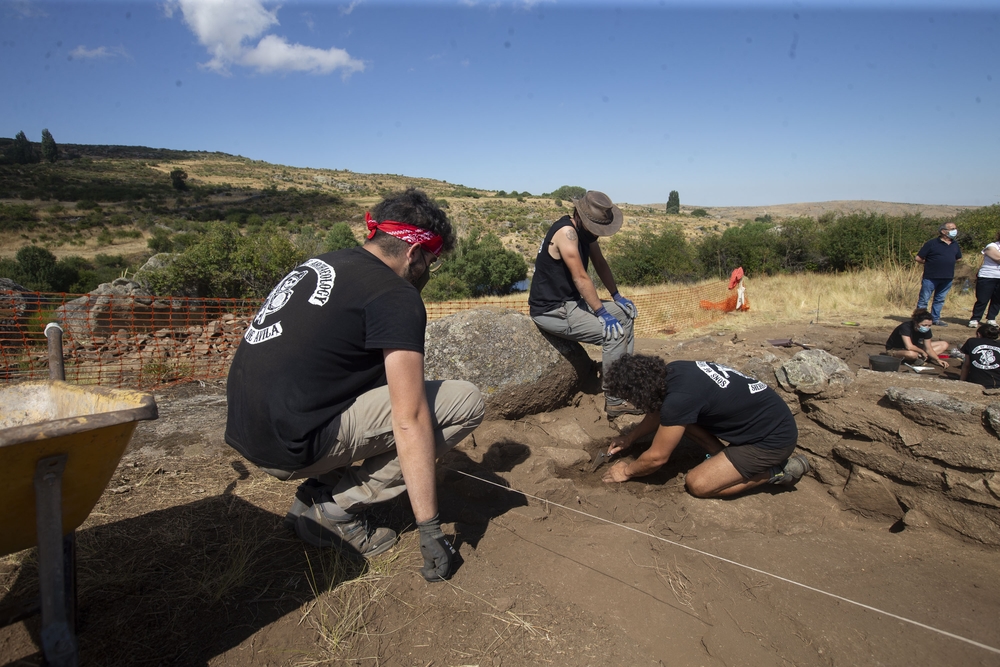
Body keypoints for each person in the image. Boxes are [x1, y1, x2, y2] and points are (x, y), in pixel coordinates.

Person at [225, 188, 485, 581]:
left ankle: (313, 494)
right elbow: (409, 417)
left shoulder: (321, 262)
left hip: (251, 429)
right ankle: (336, 512)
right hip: (289, 445)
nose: (429, 271)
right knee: (464, 401)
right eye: (431, 261)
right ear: (414, 254)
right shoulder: (395, 293)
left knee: (378, 374)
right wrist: (429, 527)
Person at [599, 354, 810, 498]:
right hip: (767, 419)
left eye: (629, 398)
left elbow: (657, 458)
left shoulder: (679, 400)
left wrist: (627, 471)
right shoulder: (673, 371)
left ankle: (777, 471)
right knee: (676, 420)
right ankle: (723, 458)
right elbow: (659, 412)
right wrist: (630, 438)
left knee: (698, 484)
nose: (631, 403)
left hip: (771, 441)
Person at [529, 190, 641, 417]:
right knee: (613, 333)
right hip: (553, 309)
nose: (596, 234)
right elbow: (580, 276)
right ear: (579, 216)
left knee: (625, 317)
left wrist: (617, 296)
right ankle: (615, 400)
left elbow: (599, 262)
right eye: (594, 228)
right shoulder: (567, 233)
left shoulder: (585, 234)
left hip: (572, 302)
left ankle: (624, 380)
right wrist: (601, 312)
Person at [915, 221, 961, 326]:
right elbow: (918, 258)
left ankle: (935, 319)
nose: (955, 231)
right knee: (924, 299)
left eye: (955, 228)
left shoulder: (955, 244)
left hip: (947, 277)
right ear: (943, 231)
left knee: (939, 299)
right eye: (952, 229)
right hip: (931, 276)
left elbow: (959, 258)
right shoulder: (932, 243)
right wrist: (930, 263)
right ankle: (920, 320)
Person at [884, 308, 950, 368]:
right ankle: (919, 357)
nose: (927, 327)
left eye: (929, 325)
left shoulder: (927, 329)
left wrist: (938, 359)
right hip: (896, 349)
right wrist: (922, 352)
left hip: (915, 347)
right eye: (924, 325)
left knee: (943, 344)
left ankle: (919, 358)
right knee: (912, 354)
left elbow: (928, 348)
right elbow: (909, 347)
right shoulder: (905, 327)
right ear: (916, 323)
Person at [968, 232, 1000, 328]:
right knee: (982, 299)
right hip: (988, 276)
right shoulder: (992, 246)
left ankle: (991, 318)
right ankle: (975, 318)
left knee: (998, 300)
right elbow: (998, 258)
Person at [960, 322, 1000, 388]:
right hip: (997, 383)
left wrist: (961, 382)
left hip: (976, 383)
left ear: (978, 334)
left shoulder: (972, 341)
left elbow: (966, 365)